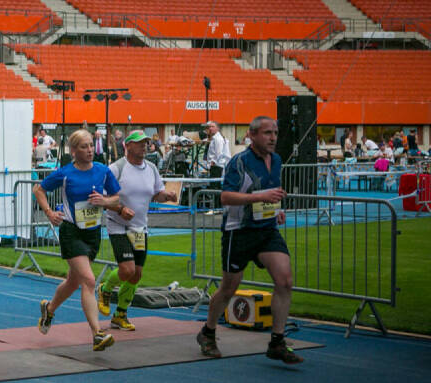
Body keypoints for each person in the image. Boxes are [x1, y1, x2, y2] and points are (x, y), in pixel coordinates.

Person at [196, 115, 302, 364]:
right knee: (229, 288)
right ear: (252, 136)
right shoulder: (238, 162)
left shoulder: (276, 160)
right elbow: (225, 197)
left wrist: (276, 208)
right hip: (238, 231)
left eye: (275, 133)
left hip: (265, 230)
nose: (273, 138)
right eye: (267, 133)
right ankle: (208, 332)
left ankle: (277, 341)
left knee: (285, 281)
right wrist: (260, 197)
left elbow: (269, 192)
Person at [33, 129, 121, 352]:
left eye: (91, 145)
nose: (90, 150)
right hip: (71, 232)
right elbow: (39, 189)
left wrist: (104, 201)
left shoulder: (103, 171)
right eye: (84, 146)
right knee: (89, 281)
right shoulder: (65, 173)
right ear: (73, 151)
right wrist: (49, 212)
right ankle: (97, 334)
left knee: (74, 282)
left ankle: (49, 309)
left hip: (92, 232)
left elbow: (117, 198)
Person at [96, 131, 178, 331]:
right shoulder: (116, 169)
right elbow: (101, 198)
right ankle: (105, 289)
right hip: (118, 225)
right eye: (140, 143)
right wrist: (120, 209)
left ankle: (120, 314)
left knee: (136, 274)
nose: (145, 146)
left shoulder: (151, 168)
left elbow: (156, 193)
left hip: (140, 227)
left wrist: (166, 195)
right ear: (128, 146)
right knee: (127, 269)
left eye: (147, 143)